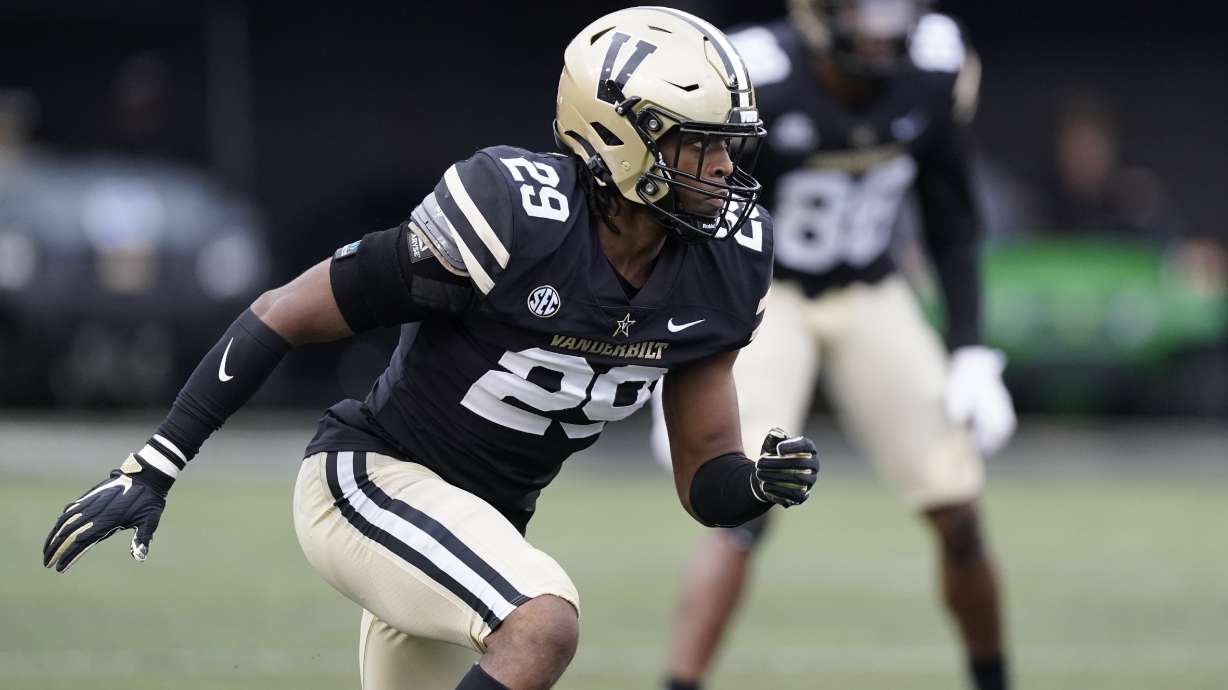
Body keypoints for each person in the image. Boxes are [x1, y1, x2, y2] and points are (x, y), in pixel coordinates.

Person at [40, 7, 821, 690]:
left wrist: (757, 483)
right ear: (620, 140)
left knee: (527, 624)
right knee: (542, 623)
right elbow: (284, 313)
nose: (724, 168)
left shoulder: (725, 260)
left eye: (728, 146)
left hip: (481, 527)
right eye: (697, 146)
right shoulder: (516, 214)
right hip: (371, 480)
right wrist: (155, 465)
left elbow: (704, 477)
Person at [650, 2, 1016, 689]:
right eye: (866, 8)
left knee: (958, 506)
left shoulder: (933, 65)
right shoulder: (757, 74)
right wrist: (679, 349)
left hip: (872, 289)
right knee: (741, 504)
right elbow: (682, 214)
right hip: (764, 295)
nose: (884, 26)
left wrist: (970, 350)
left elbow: (951, 217)